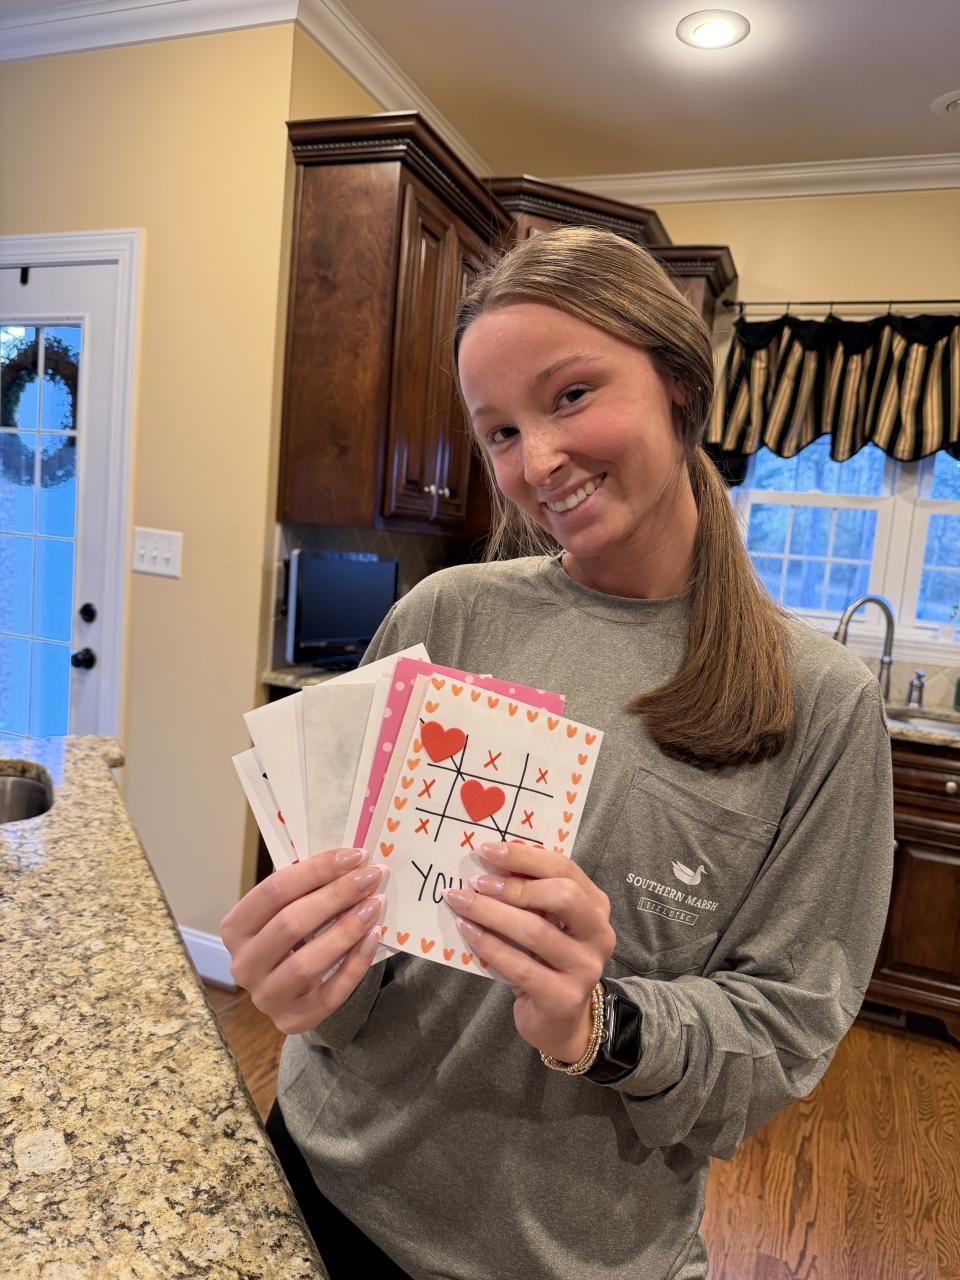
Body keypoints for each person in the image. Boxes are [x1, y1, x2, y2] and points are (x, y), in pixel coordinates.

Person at [221, 226, 895, 1280]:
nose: (535, 463)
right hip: (318, 1184)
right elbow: (354, 918)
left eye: (571, 395)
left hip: (570, 1257)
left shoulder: (822, 704)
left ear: (679, 383)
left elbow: (784, 1029)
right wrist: (306, 975)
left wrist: (598, 1021)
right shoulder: (441, 616)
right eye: (499, 431)